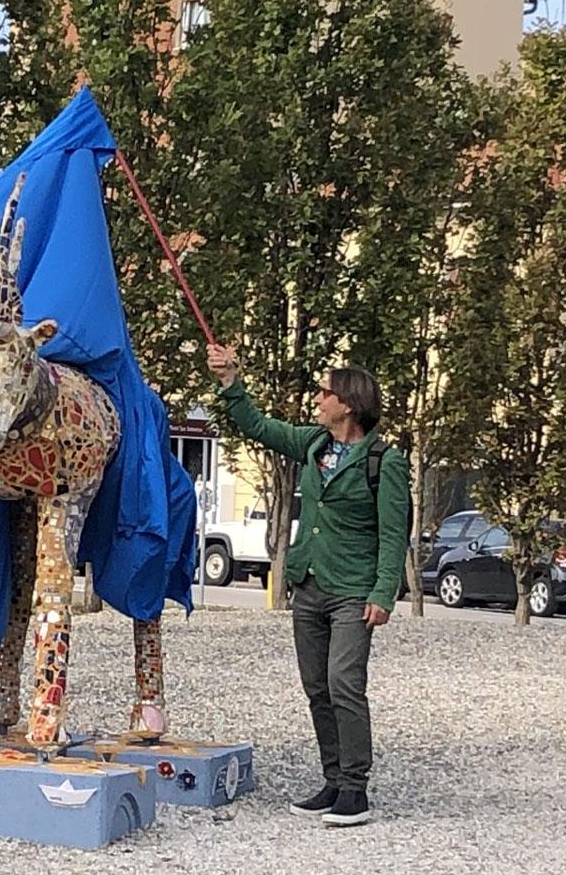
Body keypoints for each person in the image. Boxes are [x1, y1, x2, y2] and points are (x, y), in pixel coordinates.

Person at [206, 343, 409, 827]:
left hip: (353, 591)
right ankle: (333, 781)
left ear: (350, 404)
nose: (317, 400)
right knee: (316, 686)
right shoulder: (313, 444)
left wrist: (383, 593)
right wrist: (231, 381)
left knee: (344, 683)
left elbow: (394, 533)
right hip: (309, 584)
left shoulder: (385, 461)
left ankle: (355, 790)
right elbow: (257, 425)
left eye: (325, 393)